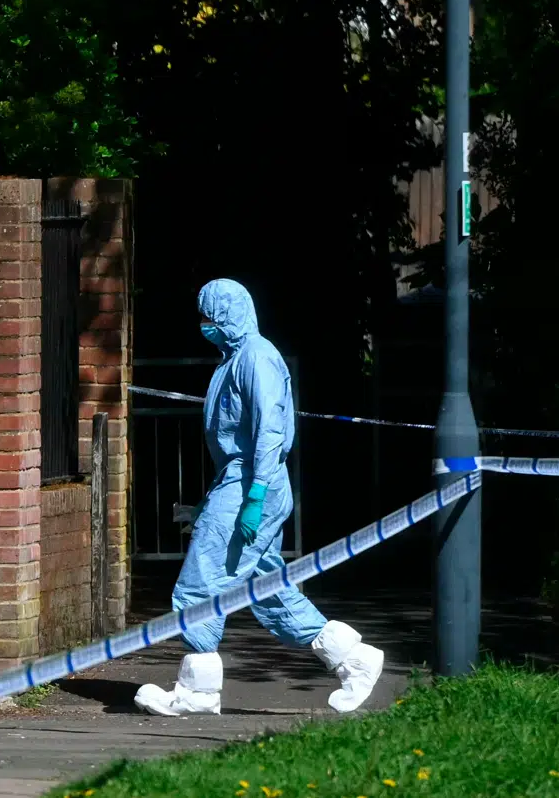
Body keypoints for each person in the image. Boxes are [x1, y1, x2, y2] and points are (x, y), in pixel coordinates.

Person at [134, 279, 384, 717]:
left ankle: (197, 691)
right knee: (269, 591)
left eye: (209, 315)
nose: (205, 324)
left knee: (200, 583)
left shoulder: (255, 357)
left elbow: (269, 429)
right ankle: (355, 660)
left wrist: (254, 496)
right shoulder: (237, 358)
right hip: (242, 481)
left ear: (228, 314)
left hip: (251, 482)